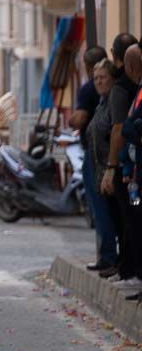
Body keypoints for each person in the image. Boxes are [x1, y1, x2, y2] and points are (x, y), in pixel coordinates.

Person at [101, 34, 141, 290]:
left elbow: (123, 128)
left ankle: (131, 269)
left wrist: (113, 167)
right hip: (132, 169)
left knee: (132, 220)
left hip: (131, 170)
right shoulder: (134, 89)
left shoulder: (123, 89)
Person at [71, 47, 115, 273]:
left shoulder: (110, 98)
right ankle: (108, 256)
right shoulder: (101, 99)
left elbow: (114, 130)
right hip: (100, 158)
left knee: (102, 209)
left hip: (103, 160)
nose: (98, 81)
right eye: (96, 78)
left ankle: (109, 256)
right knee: (102, 209)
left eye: (102, 78)